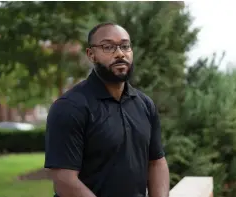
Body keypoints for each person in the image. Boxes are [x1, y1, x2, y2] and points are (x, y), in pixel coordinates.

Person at [44, 22, 170, 197]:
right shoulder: (69, 107)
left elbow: (156, 162)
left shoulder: (145, 105)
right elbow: (64, 180)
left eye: (125, 46)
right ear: (91, 54)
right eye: (108, 47)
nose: (120, 53)